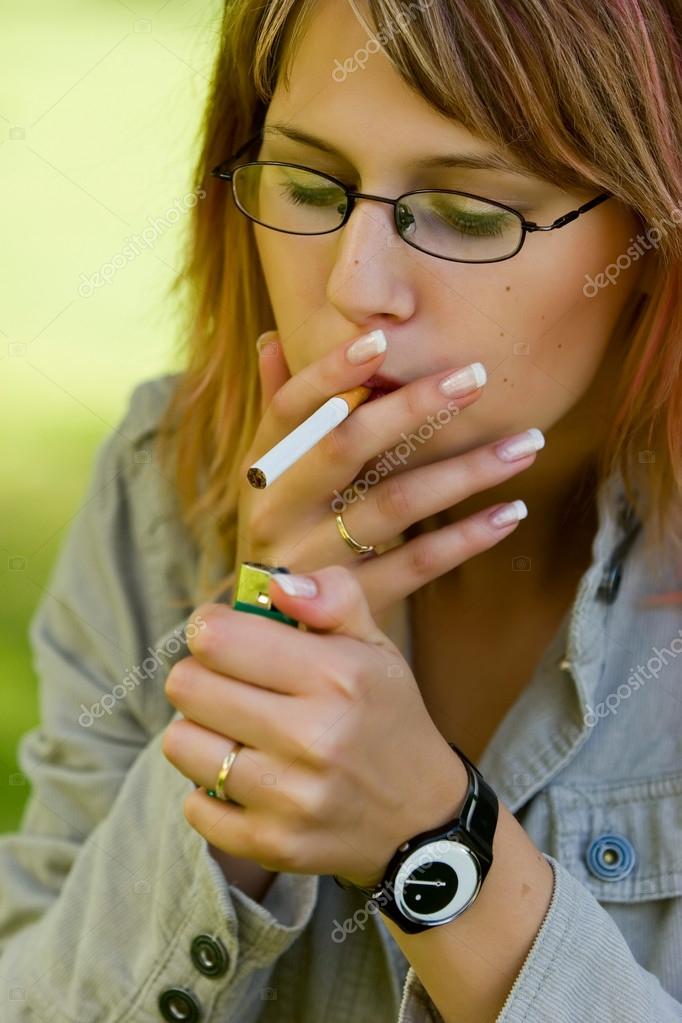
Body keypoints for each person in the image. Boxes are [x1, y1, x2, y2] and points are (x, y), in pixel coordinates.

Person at [2, 0, 681, 1020]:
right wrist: (244, 747)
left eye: (470, 213)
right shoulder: (164, 479)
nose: (357, 287)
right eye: (311, 184)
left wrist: (432, 843)